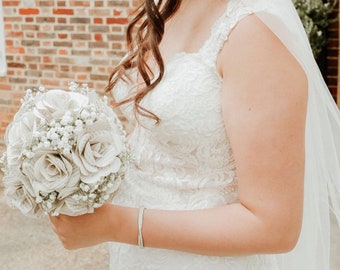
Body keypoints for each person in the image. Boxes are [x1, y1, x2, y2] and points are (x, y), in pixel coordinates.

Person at [50, 0, 340, 269]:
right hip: (136, 256)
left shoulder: (254, 34)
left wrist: (118, 224)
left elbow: (274, 226)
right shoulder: (166, 9)